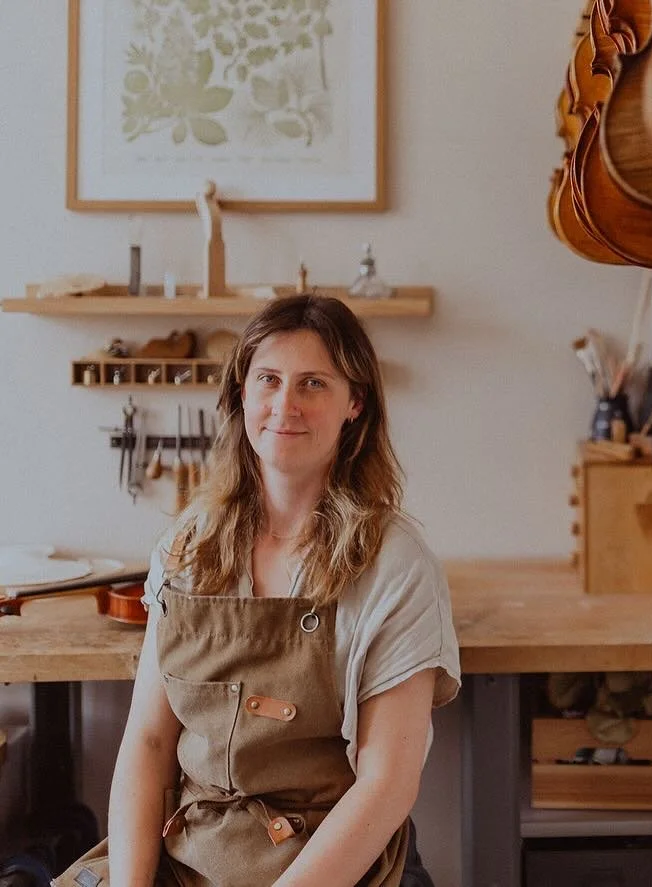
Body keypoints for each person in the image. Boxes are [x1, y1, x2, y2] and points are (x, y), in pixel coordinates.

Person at [56, 295, 461, 886]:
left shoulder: (395, 564)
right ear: (242, 394)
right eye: (268, 379)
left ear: (355, 404)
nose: (284, 405)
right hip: (190, 848)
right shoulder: (185, 548)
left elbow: (387, 785)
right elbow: (147, 742)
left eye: (314, 384)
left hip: (328, 861)